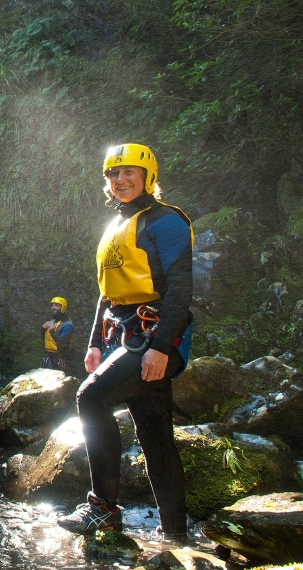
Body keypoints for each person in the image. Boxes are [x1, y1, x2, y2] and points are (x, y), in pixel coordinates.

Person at [57, 143, 194, 540]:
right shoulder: (116, 227)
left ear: (148, 176)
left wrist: (161, 347)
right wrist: (95, 342)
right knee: (155, 439)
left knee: (92, 397)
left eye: (129, 173)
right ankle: (176, 535)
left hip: (153, 338)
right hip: (126, 337)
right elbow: (108, 294)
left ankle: (102, 510)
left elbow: (180, 291)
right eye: (113, 175)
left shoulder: (166, 221)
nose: (120, 180)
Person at [41, 296, 74, 372]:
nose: (54, 307)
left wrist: (52, 330)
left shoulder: (67, 325)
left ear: (63, 308)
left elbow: (63, 345)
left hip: (59, 357)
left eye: (57, 305)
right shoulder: (52, 321)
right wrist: (43, 328)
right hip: (48, 355)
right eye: (52, 305)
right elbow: (44, 339)